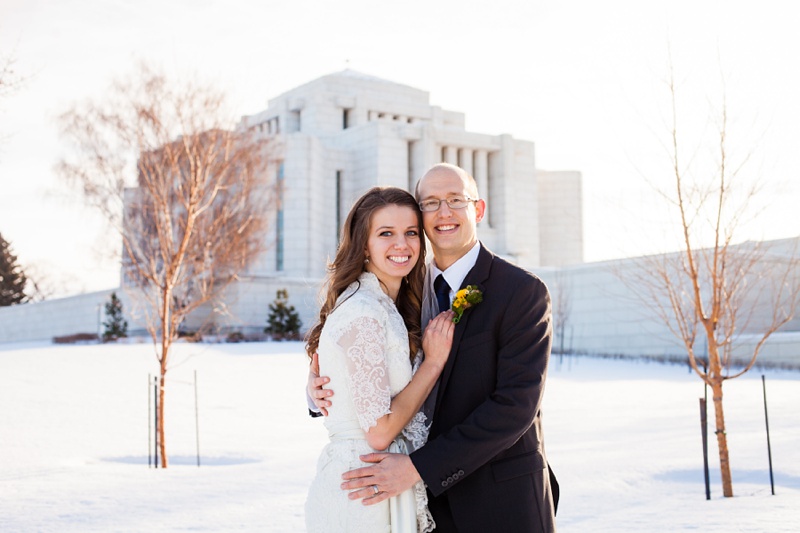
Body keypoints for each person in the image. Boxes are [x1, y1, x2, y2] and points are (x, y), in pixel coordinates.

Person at [309, 164, 559, 532]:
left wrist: (417, 468)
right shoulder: (403, 284)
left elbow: (515, 406)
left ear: (478, 209)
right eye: (430, 203)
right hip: (421, 508)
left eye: (456, 200)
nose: (444, 212)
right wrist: (321, 390)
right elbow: (366, 359)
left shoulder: (522, 292)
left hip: (499, 502)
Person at [304, 186, 455, 533]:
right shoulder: (364, 312)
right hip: (363, 490)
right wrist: (432, 364)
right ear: (364, 245)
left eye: (411, 233)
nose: (401, 244)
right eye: (386, 233)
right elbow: (379, 431)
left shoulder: (383, 304)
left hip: (375, 482)